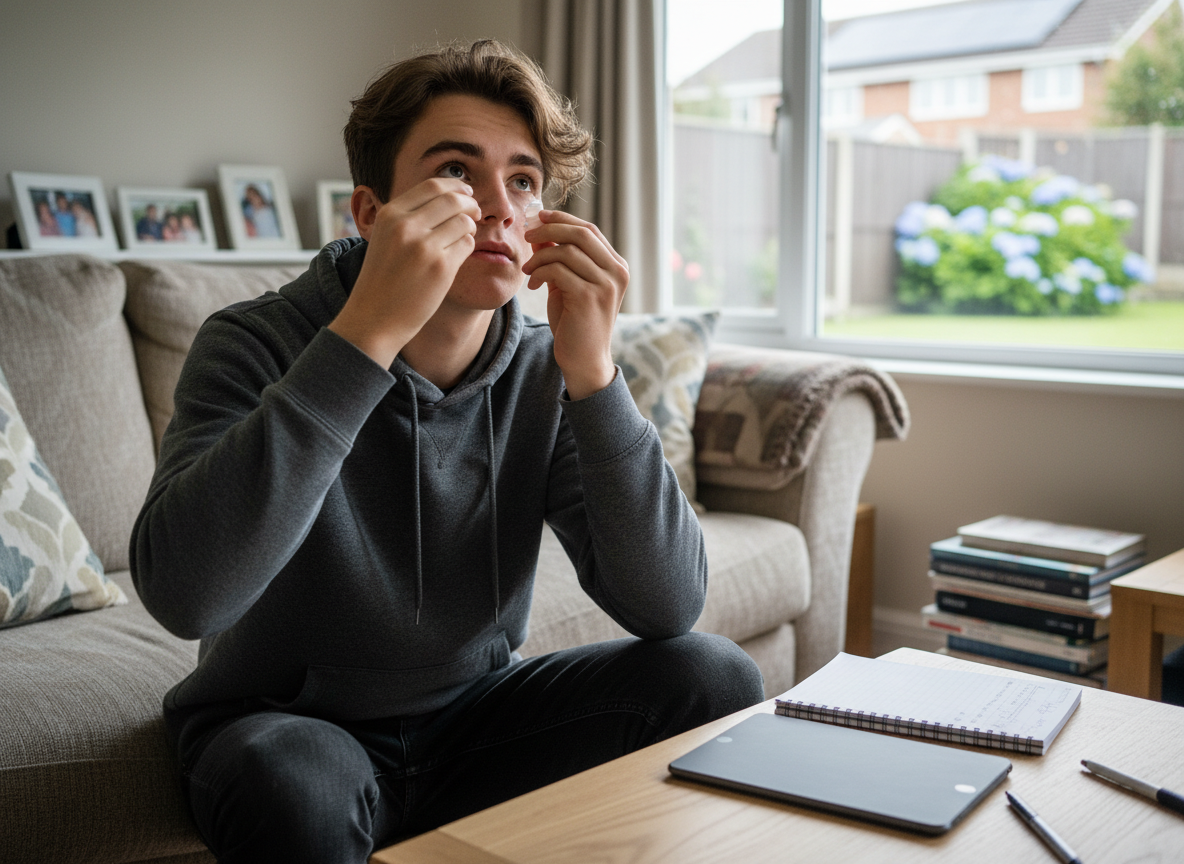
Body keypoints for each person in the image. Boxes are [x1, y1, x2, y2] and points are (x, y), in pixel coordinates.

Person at [130, 39, 763, 864]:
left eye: (525, 179)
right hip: (287, 729)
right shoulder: (252, 341)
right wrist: (367, 336)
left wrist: (595, 376)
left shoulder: (544, 367)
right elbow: (185, 595)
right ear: (370, 214)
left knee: (714, 677)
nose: (500, 205)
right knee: (291, 780)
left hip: (474, 720)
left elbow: (668, 604)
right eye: (458, 172)